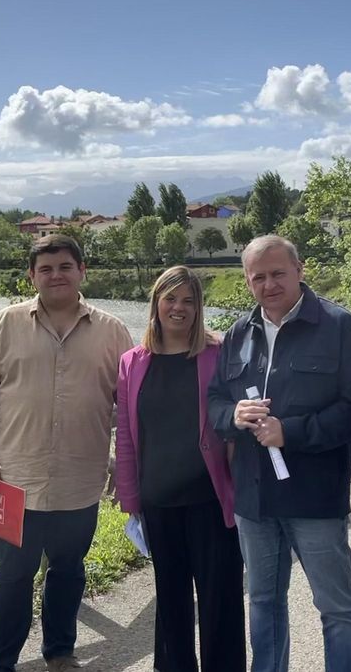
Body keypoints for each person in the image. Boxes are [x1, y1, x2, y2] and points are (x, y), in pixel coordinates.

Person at [207, 235, 351, 672]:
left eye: (278, 273)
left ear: (300, 270)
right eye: (257, 277)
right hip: (255, 500)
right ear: (246, 281)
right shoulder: (237, 335)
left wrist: (292, 432)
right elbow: (214, 404)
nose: (269, 284)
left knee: (336, 606)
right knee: (263, 603)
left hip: (315, 498)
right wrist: (234, 415)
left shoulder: (340, 327)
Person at [0, 234, 134, 672]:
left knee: (68, 569)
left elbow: (130, 404)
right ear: (31, 276)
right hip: (12, 481)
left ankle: (59, 653)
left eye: (65, 267)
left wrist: (123, 458)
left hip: (81, 479)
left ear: (82, 271)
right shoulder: (4, 324)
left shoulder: (113, 331)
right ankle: (1, 663)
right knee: (11, 578)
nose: (56, 275)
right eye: (46, 269)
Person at [113, 265, 245, 672]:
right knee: (170, 604)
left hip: (211, 500)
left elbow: (236, 425)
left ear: (199, 307)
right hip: (159, 502)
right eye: (171, 298)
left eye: (189, 300)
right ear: (156, 302)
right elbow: (127, 435)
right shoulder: (133, 363)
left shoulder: (218, 354)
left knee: (219, 600)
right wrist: (131, 496)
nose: (179, 308)